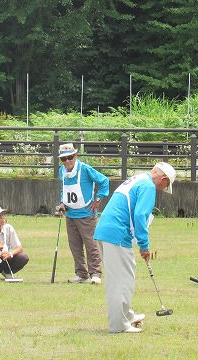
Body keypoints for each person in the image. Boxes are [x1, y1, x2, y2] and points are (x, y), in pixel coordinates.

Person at [93, 162, 177, 333]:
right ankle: (119, 325)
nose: (161, 189)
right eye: (165, 186)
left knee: (124, 277)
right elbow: (140, 215)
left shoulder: (138, 179)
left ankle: (127, 315)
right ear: (163, 178)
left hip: (107, 231)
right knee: (120, 281)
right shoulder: (148, 186)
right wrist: (144, 245)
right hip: (116, 234)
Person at [56, 143, 110, 285]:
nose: (67, 161)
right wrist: (62, 202)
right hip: (70, 214)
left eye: (70, 157)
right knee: (74, 245)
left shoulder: (85, 169)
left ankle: (95, 273)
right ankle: (81, 273)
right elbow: (64, 189)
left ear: (76, 156)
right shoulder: (62, 171)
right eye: (63, 159)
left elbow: (104, 181)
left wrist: (98, 199)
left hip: (86, 213)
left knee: (91, 244)